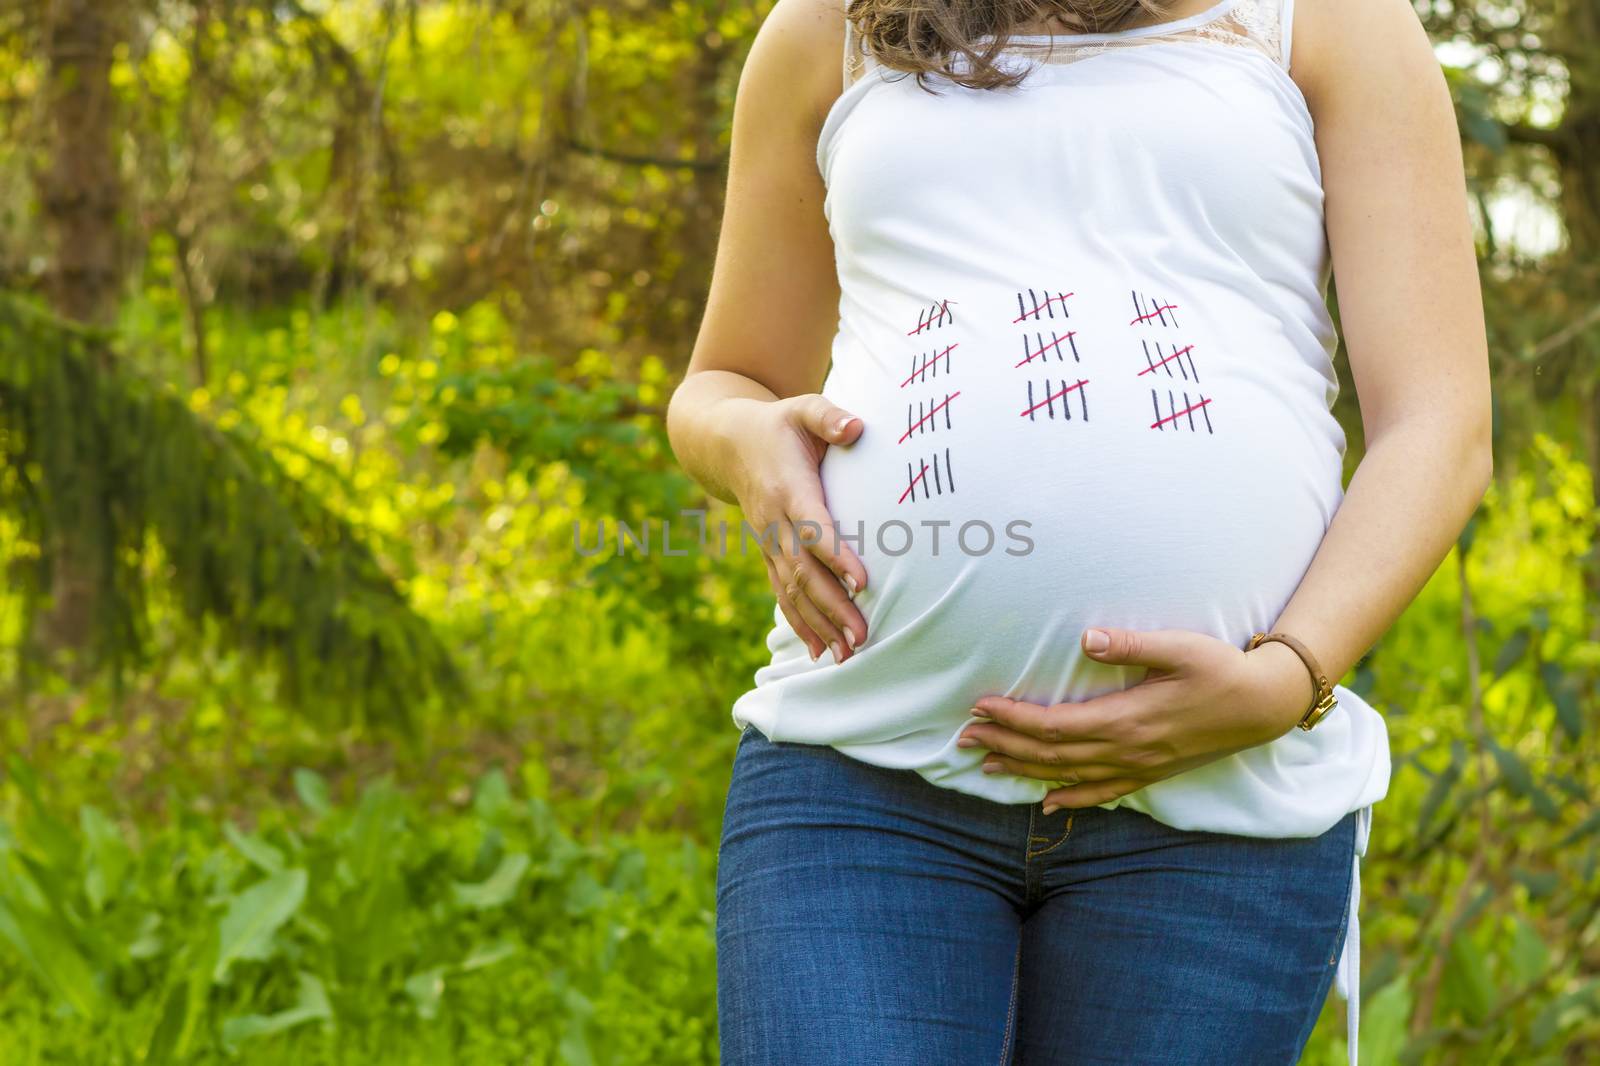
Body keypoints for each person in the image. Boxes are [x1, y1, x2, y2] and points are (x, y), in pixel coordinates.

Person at [666, 0, 1491, 1062]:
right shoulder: (827, 28)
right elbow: (722, 380)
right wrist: (742, 441)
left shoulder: (1329, 22)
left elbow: (1440, 424)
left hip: (1218, 819)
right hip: (863, 783)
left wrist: (1291, 675)